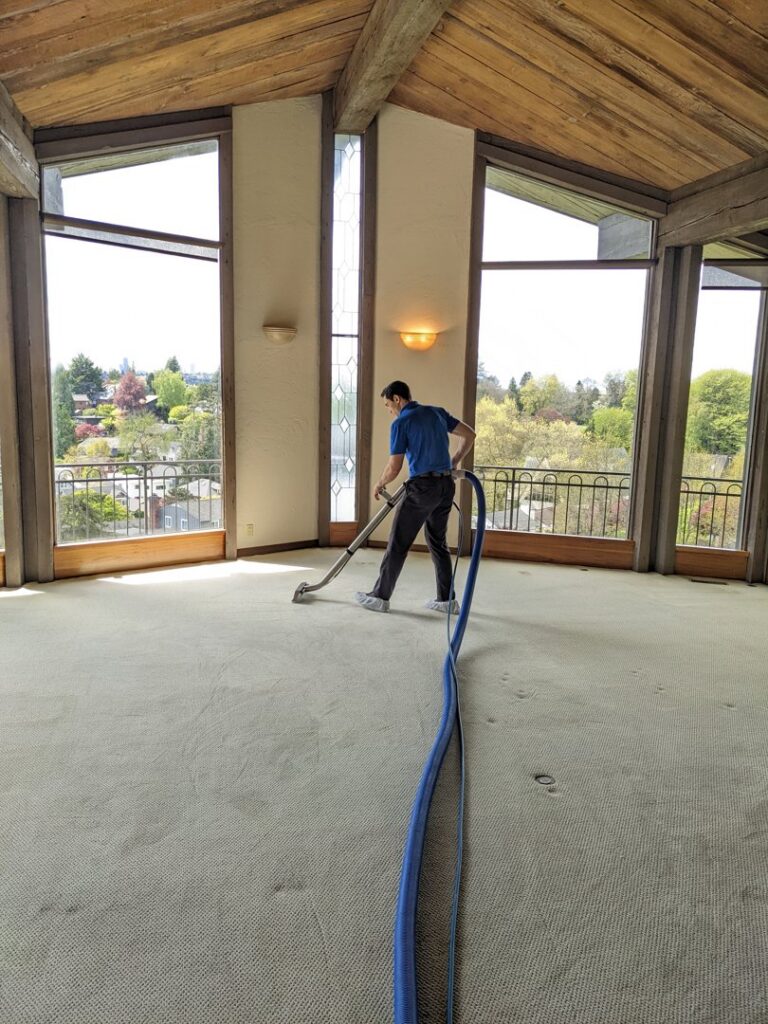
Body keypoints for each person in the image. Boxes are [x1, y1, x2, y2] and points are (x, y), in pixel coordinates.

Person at [354, 380, 476, 614]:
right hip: (445, 486)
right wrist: (454, 461)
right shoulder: (437, 413)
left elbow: (394, 466)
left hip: (421, 488)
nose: (389, 410)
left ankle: (380, 596)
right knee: (438, 543)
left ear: (397, 399)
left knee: (398, 542)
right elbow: (470, 435)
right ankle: (446, 600)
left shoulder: (401, 423)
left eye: (388, 405)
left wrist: (380, 483)